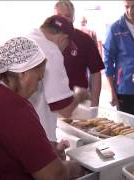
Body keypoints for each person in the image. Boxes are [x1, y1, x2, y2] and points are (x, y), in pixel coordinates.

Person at [0, 37, 84, 179]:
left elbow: (1, 147)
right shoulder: (14, 107)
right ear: (23, 73)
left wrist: (45, 151)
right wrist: (75, 168)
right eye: (39, 78)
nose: (37, 87)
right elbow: (54, 176)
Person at [26, 15, 89, 148]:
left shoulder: (27, 38)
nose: (65, 49)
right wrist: (79, 95)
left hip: (16, 128)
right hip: (37, 134)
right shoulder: (51, 51)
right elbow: (65, 110)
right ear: (63, 38)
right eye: (67, 45)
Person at [103, 0, 134, 117]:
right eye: (127, 7)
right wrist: (111, 91)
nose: (130, 10)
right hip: (125, 89)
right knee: (127, 130)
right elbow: (108, 62)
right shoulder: (114, 29)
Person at [54, 0, 105, 107]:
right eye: (58, 15)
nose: (62, 19)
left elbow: (96, 73)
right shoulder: (46, 40)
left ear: (73, 18)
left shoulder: (85, 39)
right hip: (53, 102)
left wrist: (94, 103)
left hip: (79, 102)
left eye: (67, 15)